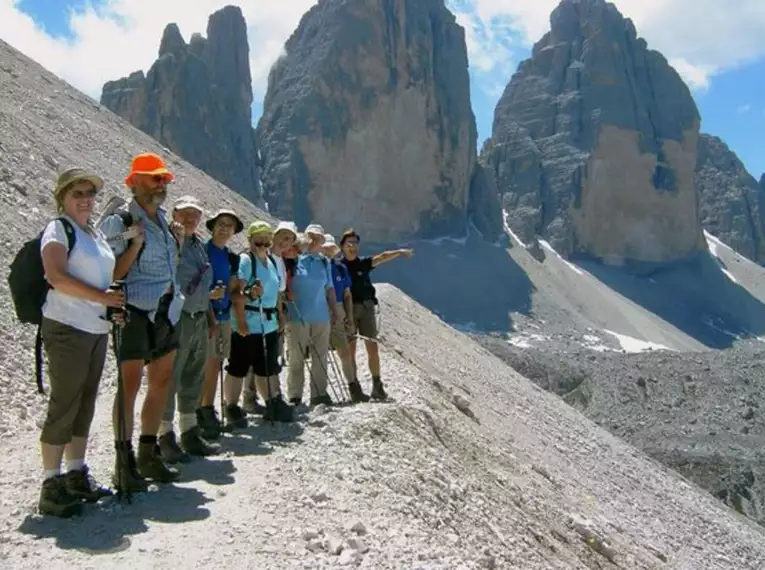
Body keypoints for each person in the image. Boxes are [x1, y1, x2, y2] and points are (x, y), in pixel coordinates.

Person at [36, 168, 125, 517]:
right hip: (67, 325)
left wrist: (110, 305)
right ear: (63, 198)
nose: (86, 198)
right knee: (66, 401)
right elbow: (56, 277)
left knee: (85, 401)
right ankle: (51, 483)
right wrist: (103, 299)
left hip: (94, 328)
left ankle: (76, 472)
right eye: (77, 193)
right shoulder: (59, 229)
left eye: (90, 192)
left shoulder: (96, 235)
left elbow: (105, 280)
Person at [99, 152, 185, 491]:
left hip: (165, 308)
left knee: (161, 381)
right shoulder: (119, 222)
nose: (160, 185)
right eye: (153, 179)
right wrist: (134, 247)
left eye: (163, 179)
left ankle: (148, 453)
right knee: (130, 385)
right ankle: (124, 462)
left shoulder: (164, 221)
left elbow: (169, 264)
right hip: (133, 310)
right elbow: (110, 273)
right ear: (133, 182)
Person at [158, 196, 221, 463]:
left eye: (195, 215)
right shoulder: (171, 240)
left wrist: (210, 316)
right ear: (174, 213)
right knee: (171, 377)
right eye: (185, 214)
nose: (190, 219)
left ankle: (189, 430)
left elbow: (202, 284)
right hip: (178, 317)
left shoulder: (198, 246)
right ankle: (164, 434)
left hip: (197, 317)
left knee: (193, 375)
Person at [224, 221, 293, 425]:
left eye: (266, 239)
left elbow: (275, 293)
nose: (262, 243)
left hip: (269, 323)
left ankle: (272, 401)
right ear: (251, 239)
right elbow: (237, 294)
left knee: (268, 366)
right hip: (249, 324)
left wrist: (280, 316)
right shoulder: (246, 261)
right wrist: (242, 322)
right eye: (258, 239)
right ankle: (232, 407)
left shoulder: (271, 262)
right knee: (238, 367)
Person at [339, 228, 414, 400]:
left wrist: (399, 252)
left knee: (372, 348)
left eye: (355, 244)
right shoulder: (338, 267)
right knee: (351, 350)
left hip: (366, 308)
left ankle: (377, 385)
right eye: (349, 244)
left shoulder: (363, 263)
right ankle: (354, 386)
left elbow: (381, 257)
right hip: (348, 310)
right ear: (342, 246)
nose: (353, 247)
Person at [197, 209, 244, 439]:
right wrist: (209, 297)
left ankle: (207, 410)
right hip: (207, 315)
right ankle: (200, 412)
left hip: (223, 315)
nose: (225, 228)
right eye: (221, 224)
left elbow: (233, 288)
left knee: (215, 364)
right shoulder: (202, 251)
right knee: (207, 365)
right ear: (213, 226)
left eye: (229, 225)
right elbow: (192, 283)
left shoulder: (230, 256)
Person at [241, 220, 297, 414]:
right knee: (256, 359)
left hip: (272, 314)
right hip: (256, 315)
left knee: (271, 357)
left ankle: (273, 396)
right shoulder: (257, 259)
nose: (284, 242)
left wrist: (280, 315)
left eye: (289, 239)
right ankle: (252, 398)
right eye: (282, 237)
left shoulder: (276, 261)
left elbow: (277, 292)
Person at [286, 224, 340, 407]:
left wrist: (335, 310)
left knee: (321, 356)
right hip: (297, 315)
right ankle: (295, 395)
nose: (315, 240)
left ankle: (318, 393)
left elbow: (330, 288)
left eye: (318, 237)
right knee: (296, 356)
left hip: (321, 315)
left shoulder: (324, 262)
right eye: (311, 236)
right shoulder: (294, 258)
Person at [322, 234, 369, 403]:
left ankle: (353, 387)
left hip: (339, 310)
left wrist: (348, 315)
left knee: (344, 352)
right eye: (325, 248)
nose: (328, 252)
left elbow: (347, 293)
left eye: (330, 249)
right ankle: (319, 392)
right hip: (320, 310)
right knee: (320, 353)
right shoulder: (317, 266)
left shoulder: (339, 268)